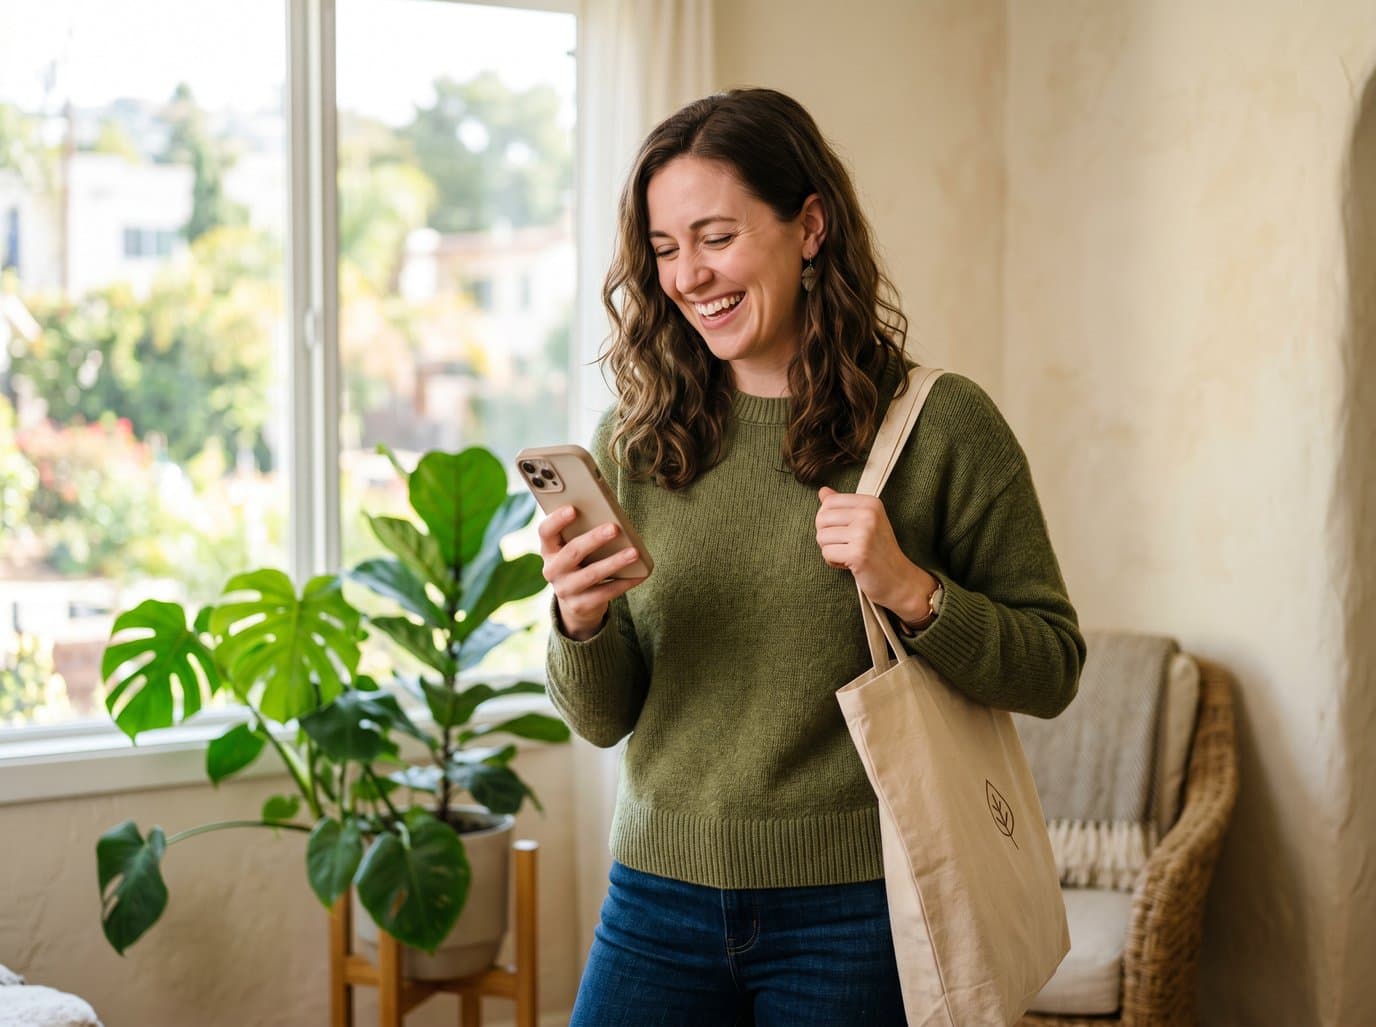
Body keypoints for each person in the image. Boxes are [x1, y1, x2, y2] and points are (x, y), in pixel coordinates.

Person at [538, 88, 1084, 1026]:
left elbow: (1053, 666)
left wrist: (914, 592)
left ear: (811, 226)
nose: (688, 275)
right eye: (664, 250)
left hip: (856, 911)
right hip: (656, 896)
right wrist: (579, 621)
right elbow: (601, 719)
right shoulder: (634, 442)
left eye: (716, 237)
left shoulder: (941, 427)